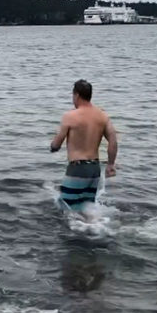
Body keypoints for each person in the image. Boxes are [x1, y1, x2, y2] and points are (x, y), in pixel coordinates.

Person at [50, 79, 118, 215]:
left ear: (77, 95)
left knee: (66, 208)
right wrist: (110, 164)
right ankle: (95, 231)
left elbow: (57, 144)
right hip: (94, 169)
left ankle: (79, 234)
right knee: (87, 210)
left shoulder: (70, 116)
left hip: (77, 169)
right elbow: (113, 140)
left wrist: (53, 147)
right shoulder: (103, 116)